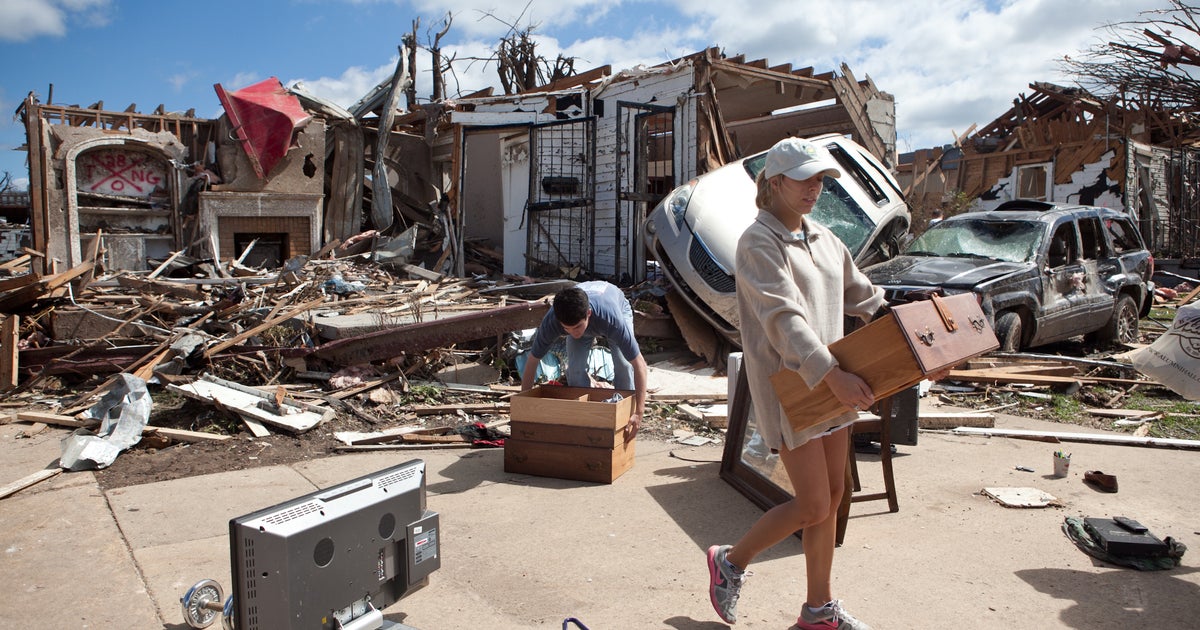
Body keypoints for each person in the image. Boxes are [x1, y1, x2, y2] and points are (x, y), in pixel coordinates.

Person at [705, 137, 885, 630]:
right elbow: (783, 320)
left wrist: (902, 313)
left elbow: (860, 292)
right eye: (804, 179)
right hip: (795, 386)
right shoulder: (758, 243)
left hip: (834, 379)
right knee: (812, 503)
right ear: (775, 182)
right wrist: (832, 375)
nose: (815, 188)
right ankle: (730, 561)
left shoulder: (824, 239)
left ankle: (818, 610)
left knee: (833, 493)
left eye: (821, 179)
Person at [521, 281, 647, 436]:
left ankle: (625, 418)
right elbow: (532, 361)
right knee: (574, 370)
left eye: (576, 327)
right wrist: (524, 406)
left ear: (588, 314)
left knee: (623, 364)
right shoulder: (552, 321)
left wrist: (639, 412)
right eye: (566, 328)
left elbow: (639, 364)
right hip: (585, 315)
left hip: (617, 308)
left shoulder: (611, 319)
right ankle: (583, 418)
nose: (573, 333)